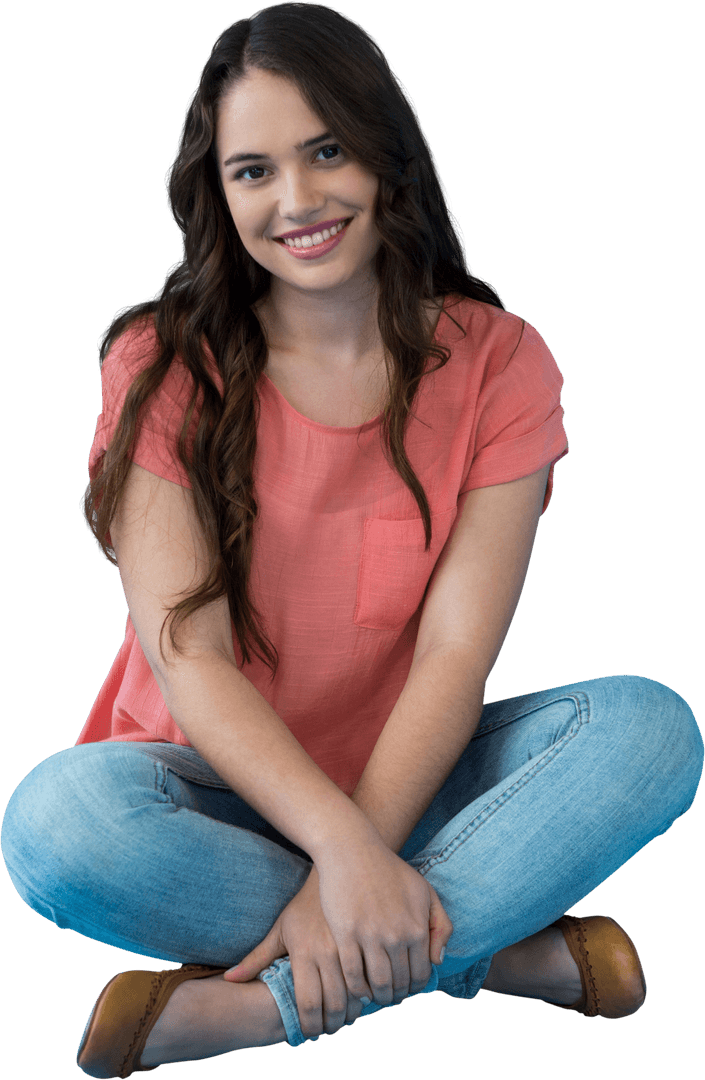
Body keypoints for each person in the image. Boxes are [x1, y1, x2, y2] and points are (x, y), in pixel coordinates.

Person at [2, 3, 702, 1076]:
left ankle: (264, 1006)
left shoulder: (502, 363)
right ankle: (491, 955)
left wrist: (363, 843)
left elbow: (455, 655)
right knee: (54, 828)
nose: (296, 201)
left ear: (385, 152)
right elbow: (191, 658)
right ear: (217, 191)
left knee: (651, 733)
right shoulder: (161, 364)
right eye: (252, 171)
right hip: (209, 794)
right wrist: (339, 854)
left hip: (418, 785)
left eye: (325, 151)